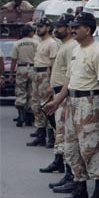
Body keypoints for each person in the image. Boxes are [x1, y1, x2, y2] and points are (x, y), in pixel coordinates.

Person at [44, 12, 99, 198]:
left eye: (77, 26)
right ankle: (80, 188)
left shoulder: (98, 51)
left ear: (88, 30)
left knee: (91, 148)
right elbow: (69, 79)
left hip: (88, 102)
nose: (72, 29)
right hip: (72, 102)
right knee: (72, 147)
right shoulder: (78, 49)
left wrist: (94, 103)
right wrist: (57, 101)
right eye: (72, 26)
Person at [40, 14, 78, 185]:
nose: (56, 29)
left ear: (70, 28)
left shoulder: (71, 47)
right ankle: (61, 164)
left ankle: (70, 174)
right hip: (58, 93)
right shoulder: (64, 45)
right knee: (60, 132)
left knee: (66, 134)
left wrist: (60, 96)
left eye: (61, 26)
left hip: (65, 95)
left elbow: (71, 76)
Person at [27, 17, 59, 148]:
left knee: (46, 105)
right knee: (36, 104)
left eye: (41, 26)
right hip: (36, 74)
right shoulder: (40, 42)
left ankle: (51, 137)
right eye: (38, 26)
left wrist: (51, 83)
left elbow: (53, 65)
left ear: (48, 27)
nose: (38, 28)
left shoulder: (52, 43)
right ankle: (40, 135)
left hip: (45, 74)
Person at [8, 25, 38, 127]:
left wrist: (11, 74)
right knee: (31, 92)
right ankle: (29, 117)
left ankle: (21, 116)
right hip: (33, 68)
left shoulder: (17, 44)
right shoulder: (36, 43)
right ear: (30, 33)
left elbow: (13, 60)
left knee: (20, 91)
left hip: (21, 68)